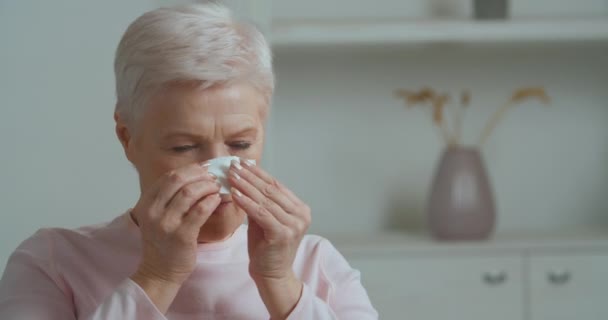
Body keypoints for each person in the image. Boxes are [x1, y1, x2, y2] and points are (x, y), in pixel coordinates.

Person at [0, 3, 378, 319]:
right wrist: (158, 275)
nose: (220, 173)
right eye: (183, 148)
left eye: (240, 144)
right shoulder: (53, 262)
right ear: (127, 137)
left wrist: (280, 282)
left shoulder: (314, 264)